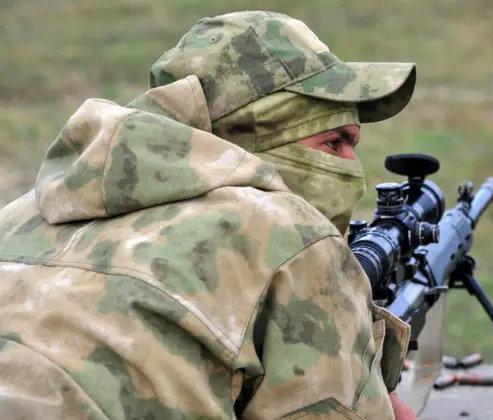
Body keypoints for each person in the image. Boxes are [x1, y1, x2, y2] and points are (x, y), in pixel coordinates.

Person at [0, 11, 420, 420]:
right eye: (334, 143)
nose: (354, 168)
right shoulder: (289, 235)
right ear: (254, 138)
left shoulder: (20, 216)